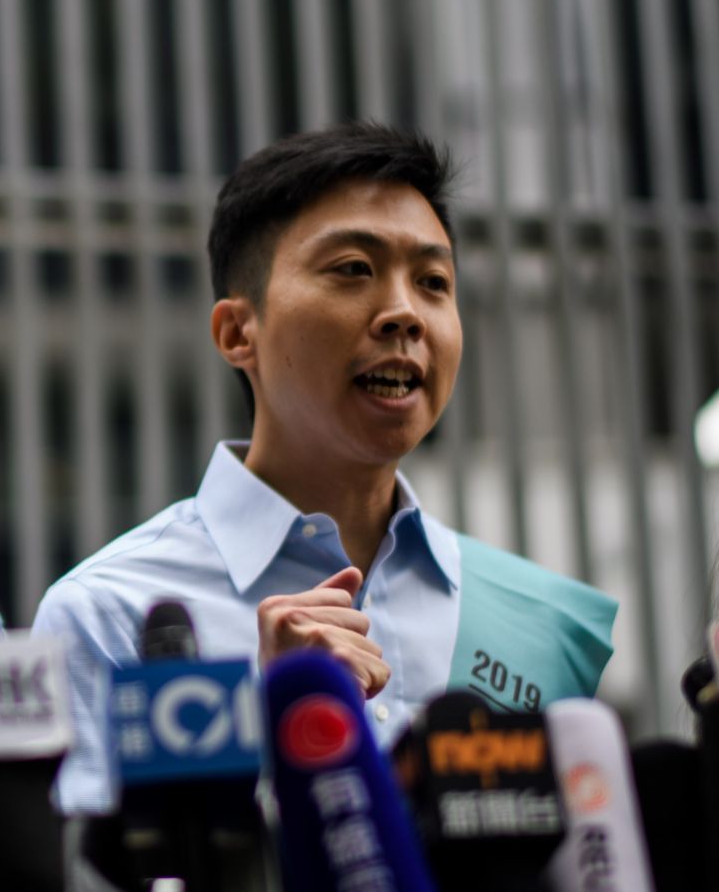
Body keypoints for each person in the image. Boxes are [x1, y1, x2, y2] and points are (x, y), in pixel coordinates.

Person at [32, 123, 617, 812]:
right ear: (236, 332)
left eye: (433, 281)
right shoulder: (109, 615)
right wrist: (272, 727)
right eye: (353, 270)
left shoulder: (544, 624)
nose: (405, 313)